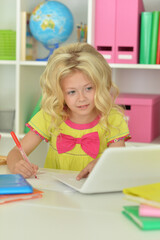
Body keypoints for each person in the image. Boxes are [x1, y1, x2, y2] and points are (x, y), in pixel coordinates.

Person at [7, 42, 130, 179]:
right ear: (59, 93)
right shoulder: (52, 115)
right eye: (72, 92)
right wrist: (17, 165)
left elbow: (118, 159)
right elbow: (15, 153)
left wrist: (102, 163)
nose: (81, 98)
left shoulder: (112, 117)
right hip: (55, 193)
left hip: (96, 190)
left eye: (88, 88)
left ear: (101, 85)